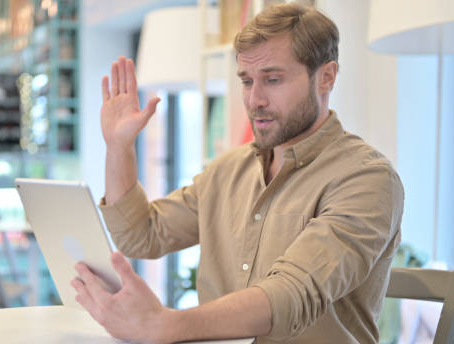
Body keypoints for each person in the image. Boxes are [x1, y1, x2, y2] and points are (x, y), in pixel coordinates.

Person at [71, 3, 404, 343]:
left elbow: (292, 293)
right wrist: (118, 148)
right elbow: (142, 235)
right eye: (246, 81)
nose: (254, 99)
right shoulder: (228, 170)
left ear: (326, 76)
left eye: (272, 80)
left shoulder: (367, 179)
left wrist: (166, 325)